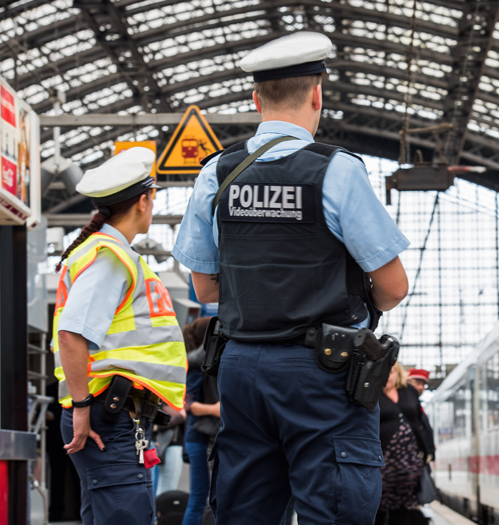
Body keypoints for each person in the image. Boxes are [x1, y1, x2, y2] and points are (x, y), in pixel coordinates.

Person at [172, 31, 410, 524]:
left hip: (241, 369)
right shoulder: (337, 171)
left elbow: (205, 288)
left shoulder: (217, 173)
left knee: (247, 510)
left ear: (256, 100)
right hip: (323, 372)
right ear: (317, 94)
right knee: (335, 508)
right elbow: (393, 287)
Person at [52, 147, 188, 525]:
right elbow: (71, 335)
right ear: (144, 201)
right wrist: (81, 409)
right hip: (103, 414)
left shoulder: (113, 253)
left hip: (112, 413)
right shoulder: (109, 257)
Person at [375, 362, 433, 525]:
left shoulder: (409, 392)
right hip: (383, 459)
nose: (387, 375)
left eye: (391, 371)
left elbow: (420, 420)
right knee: (377, 503)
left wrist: (426, 450)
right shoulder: (373, 393)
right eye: (382, 371)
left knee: (403, 504)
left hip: (409, 460)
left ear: (398, 373)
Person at [181, 317, 219, 525]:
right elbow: (187, 403)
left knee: (202, 498)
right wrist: (214, 410)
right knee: (200, 499)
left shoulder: (204, 359)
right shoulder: (198, 362)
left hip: (203, 435)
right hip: (199, 436)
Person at [406, 368, 436, 463]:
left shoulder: (418, 406)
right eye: (417, 383)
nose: (421, 388)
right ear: (407, 382)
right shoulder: (406, 405)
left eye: (423, 385)